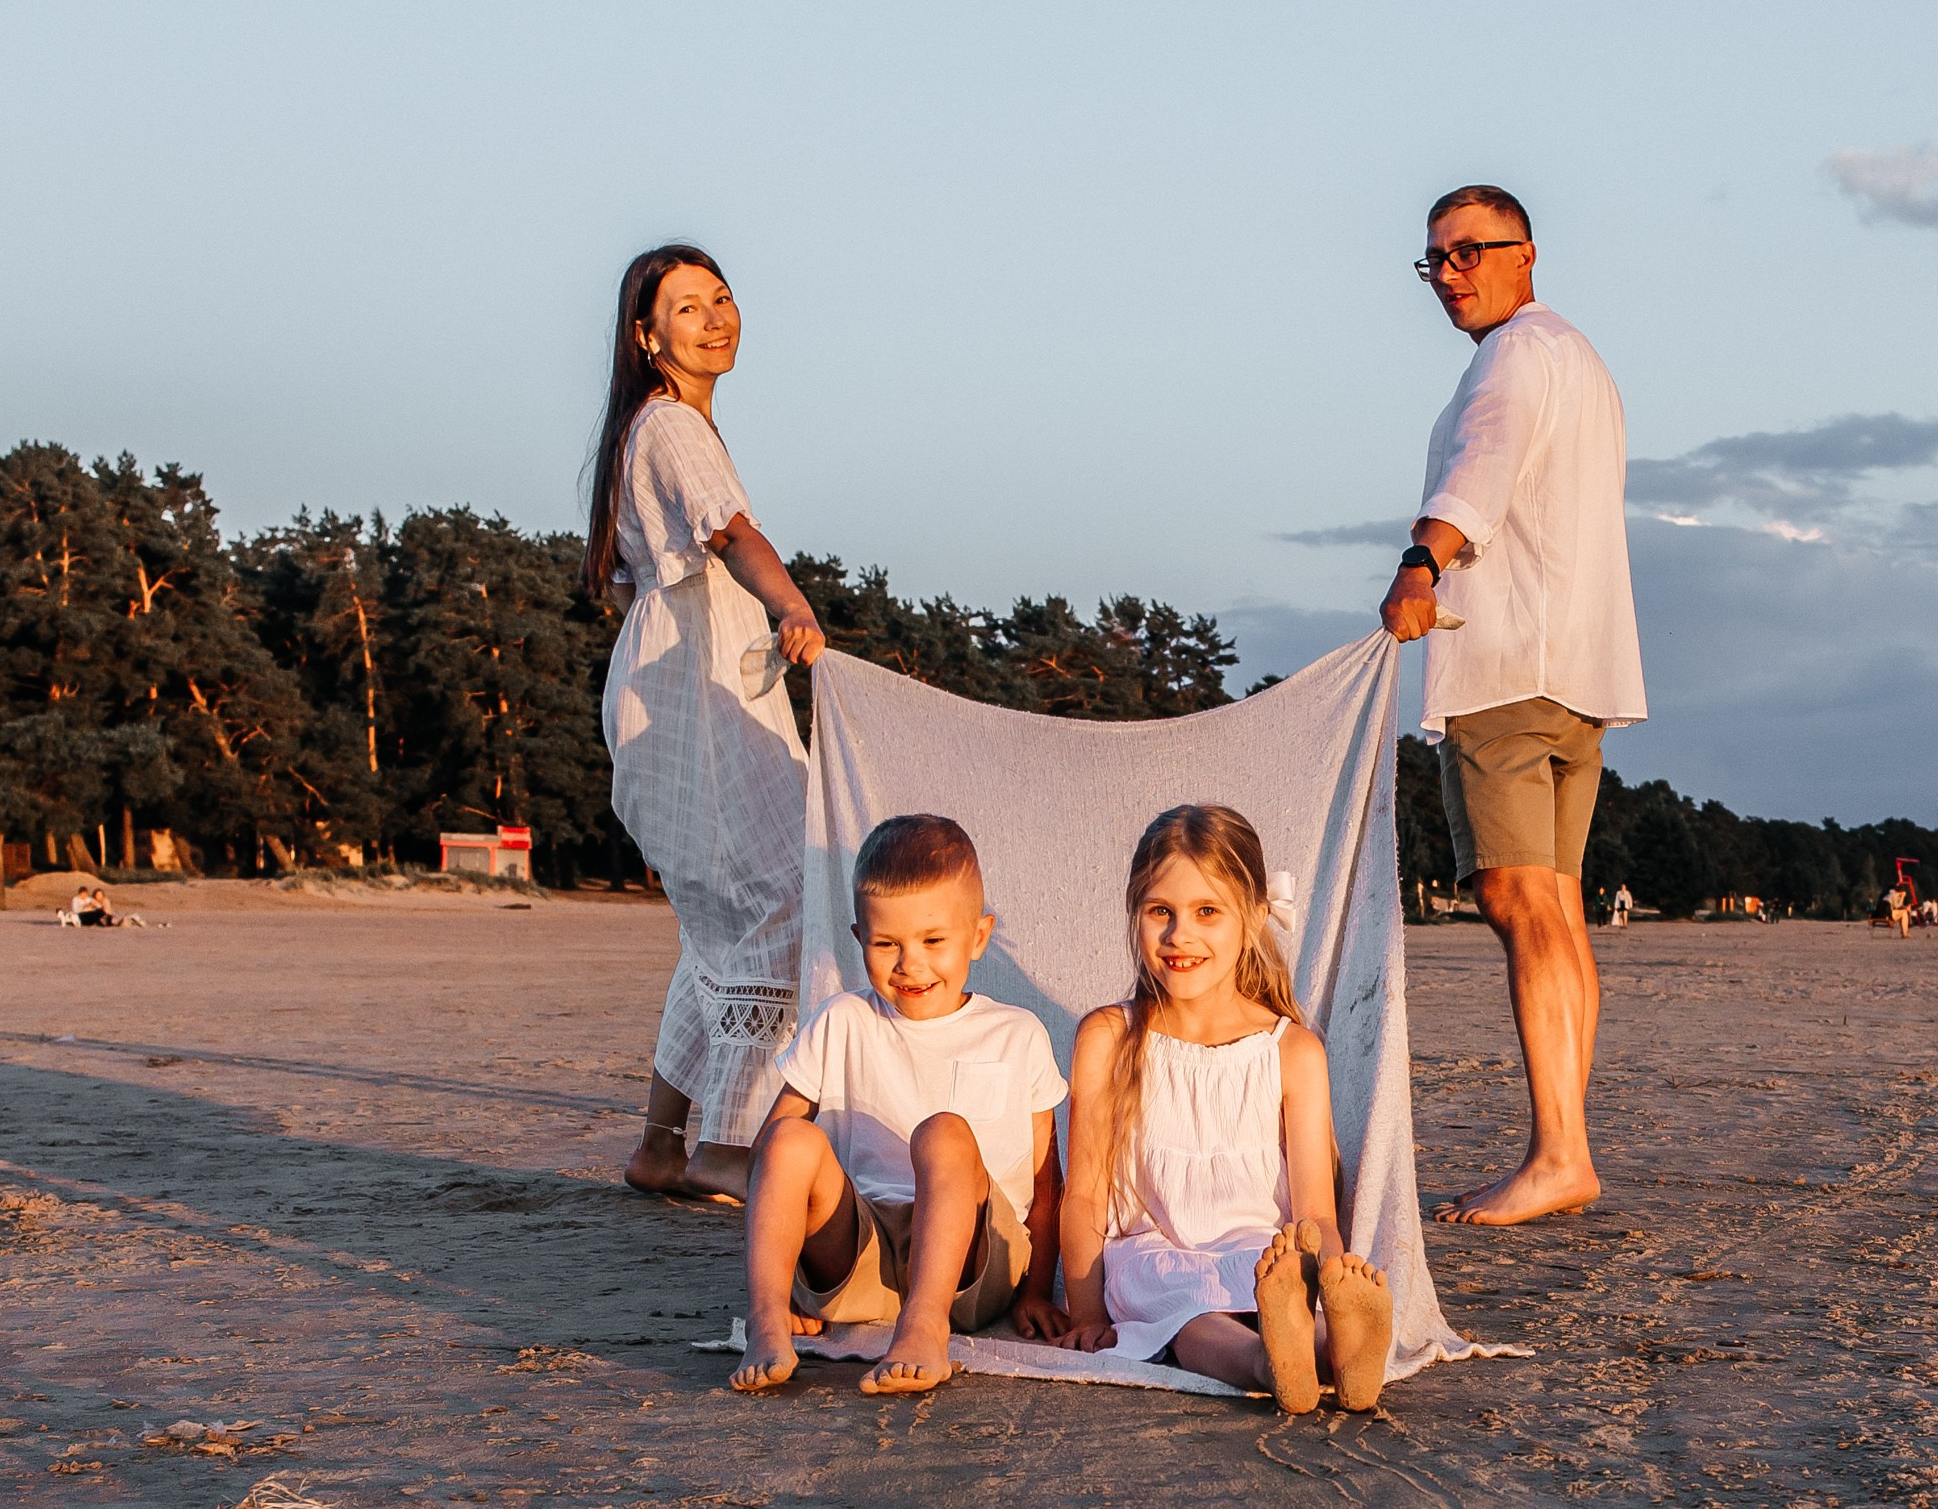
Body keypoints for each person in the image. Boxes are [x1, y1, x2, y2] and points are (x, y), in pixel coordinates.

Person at [1380, 185, 1647, 1227]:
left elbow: (1478, 472)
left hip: (1508, 664)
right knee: (1557, 905)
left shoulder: (1511, 357)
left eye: (1470, 252)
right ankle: (1565, 1146)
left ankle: (1559, 1152)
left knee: (1516, 899)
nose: (1450, 275)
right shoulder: (1581, 358)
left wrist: (1420, 563)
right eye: (1435, 260)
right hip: (1579, 667)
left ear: (1525, 253)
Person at [587, 244, 827, 1203]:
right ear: (647, 337)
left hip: (675, 679)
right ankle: (727, 1147)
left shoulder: (650, 430)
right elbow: (731, 533)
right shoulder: (672, 426)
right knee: (786, 896)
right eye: (687, 307)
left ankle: (660, 1144)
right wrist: (791, 605)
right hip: (696, 684)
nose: (716, 318)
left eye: (721, 298)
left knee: (720, 921)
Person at [1054, 805, 1394, 1414]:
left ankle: (1339, 1348)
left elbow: (1316, 1211)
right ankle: (1273, 1363)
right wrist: (1086, 1314)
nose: (1179, 935)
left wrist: (1329, 1276)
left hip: (1265, 1256)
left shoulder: (1292, 1050)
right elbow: (1083, 1196)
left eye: (1207, 912)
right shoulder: (1109, 1037)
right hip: (1154, 1254)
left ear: (1254, 916)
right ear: (1135, 913)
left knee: (1279, 1292)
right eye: (1160, 911)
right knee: (1186, 1313)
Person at [730, 816, 1068, 1396]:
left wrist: (1037, 1291)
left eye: (933, 942)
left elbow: (1045, 1182)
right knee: (788, 1139)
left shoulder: (1017, 1033)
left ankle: (923, 1326)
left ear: (978, 936)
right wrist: (788, 1282)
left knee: (943, 1132)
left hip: (969, 1266)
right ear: (859, 937)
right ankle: (766, 1321)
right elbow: (768, 1162)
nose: (910, 964)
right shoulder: (842, 1020)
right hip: (857, 1255)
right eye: (887, 944)